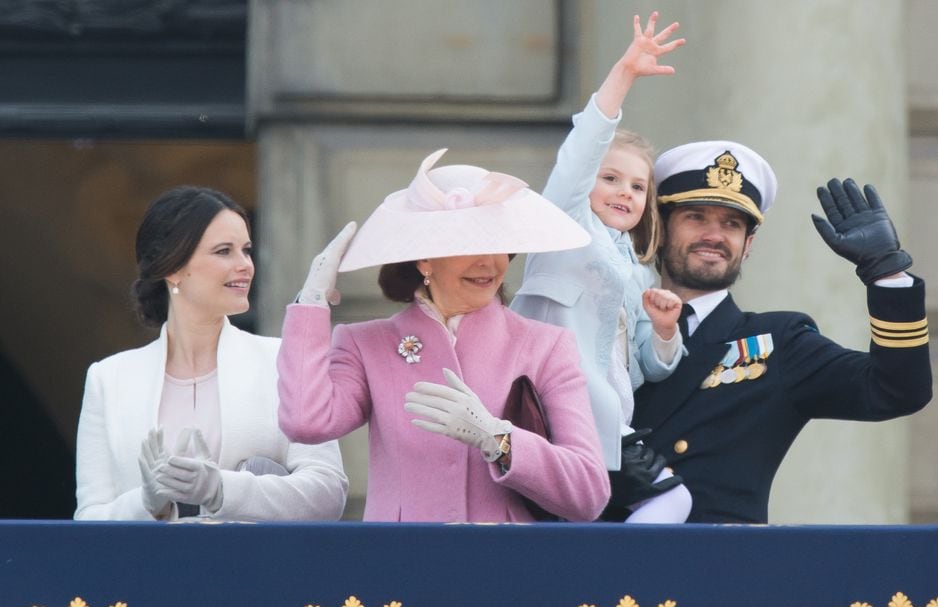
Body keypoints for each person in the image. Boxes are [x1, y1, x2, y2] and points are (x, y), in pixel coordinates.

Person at [276, 149, 611, 523]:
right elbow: (304, 422)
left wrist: (498, 439)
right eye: (469, 245)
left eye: (498, 244)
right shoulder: (367, 344)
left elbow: (588, 493)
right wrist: (311, 303)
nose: (489, 263)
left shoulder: (545, 346)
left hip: (506, 570)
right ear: (424, 258)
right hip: (401, 568)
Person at [625, 141, 933, 524]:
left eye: (732, 224)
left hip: (717, 567)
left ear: (748, 244)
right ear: (660, 227)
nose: (714, 235)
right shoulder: (613, 323)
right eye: (696, 217)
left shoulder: (778, 342)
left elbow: (897, 390)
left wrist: (886, 272)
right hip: (597, 555)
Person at [510, 13, 691, 523]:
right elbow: (580, 151)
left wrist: (663, 330)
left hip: (608, 424)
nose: (624, 192)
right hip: (554, 415)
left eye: (637, 186)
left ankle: (611, 585)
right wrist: (625, 75)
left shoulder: (640, 272)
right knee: (666, 499)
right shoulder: (562, 225)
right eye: (610, 177)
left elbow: (649, 369)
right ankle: (621, 578)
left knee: (619, 514)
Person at [74, 186, 348, 521]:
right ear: (173, 268)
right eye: (224, 251)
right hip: (149, 570)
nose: (245, 265)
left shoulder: (281, 361)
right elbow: (88, 520)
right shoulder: (109, 379)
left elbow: (328, 491)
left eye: (246, 250)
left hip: (257, 569)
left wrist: (222, 488)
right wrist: (147, 502)